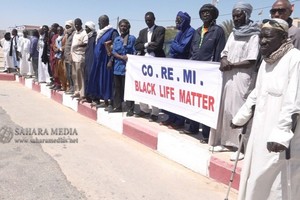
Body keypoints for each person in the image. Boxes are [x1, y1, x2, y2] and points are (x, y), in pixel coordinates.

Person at [231, 18, 300, 200]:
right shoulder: (267, 60)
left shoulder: (295, 59)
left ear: (283, 37)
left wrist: (281, 134)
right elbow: (257, 93)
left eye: (268, 37)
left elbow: (294, 103)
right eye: (261, 36)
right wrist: (241, 116)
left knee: (277, 185)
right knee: (256, 178)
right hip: (260, 132)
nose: (262, 41)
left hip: (281, 139)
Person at [209, 2, 260, 161]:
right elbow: (225, 52)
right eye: (234, 16)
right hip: (228, 77)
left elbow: (251, 60)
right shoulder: (233, 33)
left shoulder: (254, 35)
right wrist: (224, 59)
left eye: (239, 15)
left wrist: (231, 65)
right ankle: (225, 143)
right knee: (226, 110)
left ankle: (241, 148)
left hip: (243, 78)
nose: (236, 19)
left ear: (247, 15)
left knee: (240, 112)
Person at [181, 4, 226, 140]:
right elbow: (192, 50)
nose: (205, 14)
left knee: (206, 102)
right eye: (203, 12)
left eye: (208, 12)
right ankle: (193, 127)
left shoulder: (218, 31)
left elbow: (219, 52)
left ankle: (206, 133)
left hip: (209, 74)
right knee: (194, 100)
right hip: (195, 73)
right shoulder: (197, 31)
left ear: (214, 15)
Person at [161, 11, 195, 129]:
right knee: (172, 94)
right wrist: (175, 45)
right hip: (174, 67)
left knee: (180, 95)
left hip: (183, 68)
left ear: (185, 20)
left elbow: (181, 49)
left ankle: (180, 120)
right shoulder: (180, 32)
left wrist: (174, 45)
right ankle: (171, 117)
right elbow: (175, 47)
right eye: (176, 19)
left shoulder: (191, 32)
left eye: (179, 20)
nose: (176, 22)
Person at [134, 11, 166, 122]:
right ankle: (144, 109)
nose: (148, 22)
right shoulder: (142, 32)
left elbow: (158, 45)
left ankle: (155, 112)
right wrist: (147, 45)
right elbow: (137, 46)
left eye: (150, 20)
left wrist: (145, 47)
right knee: (142, 86)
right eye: (146, 20)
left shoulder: (160, 29)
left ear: (154, 19)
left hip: (156, 62)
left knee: (154, 87)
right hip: (143, 64)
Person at [86, 15, 119, 108]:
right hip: (98, 61)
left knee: (107, 81)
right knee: (98, 80)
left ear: (105, 22)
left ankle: (111, 102)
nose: (99, 24)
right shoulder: (100, 33)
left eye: (100, 22)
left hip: (106, 61)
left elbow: (115, 45)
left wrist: (111, 60)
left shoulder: (112, 32)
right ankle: (102, 100)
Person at [110, 19, 136, 113]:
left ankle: (130, 108)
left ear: (128, 27)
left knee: (128, 88)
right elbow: (113, 52)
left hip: (127, 68)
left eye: (125, 26)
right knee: (117, 88)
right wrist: (121, 56)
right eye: (121, 26)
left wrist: (128, 57)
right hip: (117, 67)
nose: (123, 28)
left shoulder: (132, 39)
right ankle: (118, 107)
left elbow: (135, 51)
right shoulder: (117, 39)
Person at [70, 18, 88, 99]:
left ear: (81, 24)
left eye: (78, 24)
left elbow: (85, 44)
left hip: (80, 57)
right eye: (75, 24)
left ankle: (82, 93)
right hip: (73, 57)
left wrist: (78, 46)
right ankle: (76, 91)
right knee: (74, 75)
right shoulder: (75, 33)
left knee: (80, 75)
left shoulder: (84, 33)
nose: (76, 25)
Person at [82, 21, 97, 103]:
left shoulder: (94, 37)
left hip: (92, 61)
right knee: (86, 78)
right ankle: (87, 96)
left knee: (92, 78)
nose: (85, 29)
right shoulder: (89, 37)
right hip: (87, 60)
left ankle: (93, 97)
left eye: (87, 27)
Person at [63, 20, 76, 95]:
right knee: (68, 73)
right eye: (66, 27)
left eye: (69, 26)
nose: (67, 28)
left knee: (71, 73)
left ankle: (73, 87)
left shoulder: (74, 34)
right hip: (66, 57)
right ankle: (70, 86)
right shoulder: (67, 34)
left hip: (71, 57)